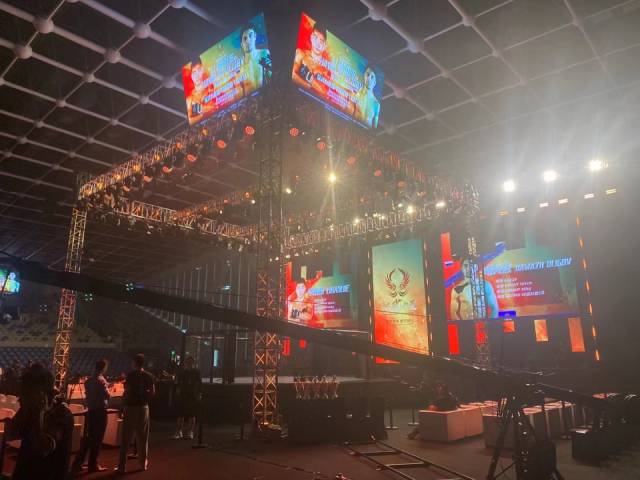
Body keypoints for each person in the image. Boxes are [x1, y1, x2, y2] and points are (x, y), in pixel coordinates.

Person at [9, 363, 74, 480]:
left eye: (26, 393)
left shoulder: (62, 415)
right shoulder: (28, 409)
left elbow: (43, 449)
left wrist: (38, 413)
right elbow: (11, 434)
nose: (21, 399)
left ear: (42, 394)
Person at [116, 354, 155, 474]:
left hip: (131, 407)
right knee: (143, 437)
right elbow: (153, 392)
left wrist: (122, 406)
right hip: (144, 408)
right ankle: (143, 464)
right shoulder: (149, 376)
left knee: (126, 438)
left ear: (134, 362)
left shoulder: (131, 375)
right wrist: (145, 399)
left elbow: (127, 392)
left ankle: (122, 466)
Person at [70, 359, 110, 476]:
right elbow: (107, 396)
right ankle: (93, 464)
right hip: (100, 411)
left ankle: (78, 463)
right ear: (104, 368)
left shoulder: (88, 381)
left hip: (91, 411)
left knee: (88, 438)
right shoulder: (101, 381)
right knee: (97, 439)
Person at [450, 254, 499, 320]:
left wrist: (489, 324)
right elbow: (453, 313)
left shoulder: (486, 285)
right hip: (466, 324)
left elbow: (495, 308)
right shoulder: (456, 289)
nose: (468, 268)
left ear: (476, 267)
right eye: (465, 266)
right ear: (461, 268)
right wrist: (462, 325)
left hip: (483, 324)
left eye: (471, 265)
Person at [292, 21, 331, 97]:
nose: (317, 44)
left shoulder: (326, 69)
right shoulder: (301, 54)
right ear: (311, 37)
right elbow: (293, 74)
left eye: (321, 41)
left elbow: (325, 94)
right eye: (315, 38)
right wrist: (309, 85)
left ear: (325, 45)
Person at [237, 22, 271, 96]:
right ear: (241, 44)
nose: (248, 41)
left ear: (255, 36)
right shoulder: (239, 70)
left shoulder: (264, 53)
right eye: (245, 38)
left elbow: (274, 78)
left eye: (250, 35)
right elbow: (240, 96)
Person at [173, 356, 202, 440]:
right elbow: (178, 383)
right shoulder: (182, 373)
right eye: (188, 362)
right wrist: (178, 391)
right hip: (184, 395)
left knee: (192, 414)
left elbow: (199, 383)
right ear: (186, 363)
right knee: (181, 414)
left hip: (192, 395)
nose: (189, 364)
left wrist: (199, 393)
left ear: (193, 363)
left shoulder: (196, 372)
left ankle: (190, 432)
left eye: (190, 362)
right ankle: (179, 431)